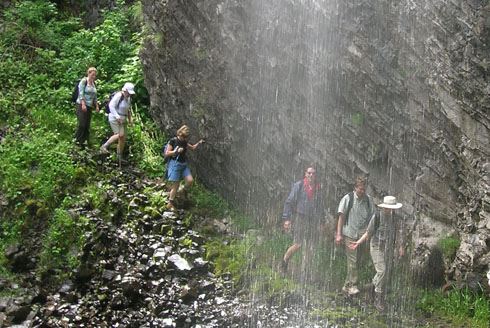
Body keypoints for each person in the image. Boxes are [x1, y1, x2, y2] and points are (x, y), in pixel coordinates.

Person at [348, 195, 404, 311]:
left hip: (388, 248)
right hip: (376, 246)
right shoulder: (377, 216)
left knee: (385, 273)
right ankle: (379, 299)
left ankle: (369, 288)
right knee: (382, 270)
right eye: (388, 208)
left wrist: (400, 247)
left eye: (391, 208)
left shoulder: (396, 219)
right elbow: (368, 233)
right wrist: (358, 243)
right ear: (384, 207)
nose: (389, 210)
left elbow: (398, 234)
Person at [281, 167, 324, 281]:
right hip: (300, 217)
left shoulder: (318, 188)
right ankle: (284, 262)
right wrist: (286, 219)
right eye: (309, 173)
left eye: (313, 173)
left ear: (315, 176)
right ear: (305, 174)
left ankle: (305, 273)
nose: (311, 175)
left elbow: (320, 206)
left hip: (313, 220)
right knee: (298, 244)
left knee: (310, 247)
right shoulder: (299, 185)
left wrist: (321, 222)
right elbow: (289, 202)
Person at [335, 176, 374, 296]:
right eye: (360, 189)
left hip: (362, 236)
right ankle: (353, 285)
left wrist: (369, 234)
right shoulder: (348, 198)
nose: (362, 191)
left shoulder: (368, 200)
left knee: (358, 261)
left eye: (364, 189)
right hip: (349, 234)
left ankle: (346, 286)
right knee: (352, 260)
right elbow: (341, 217)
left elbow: (373, 217)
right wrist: (339, 234)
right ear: (355, 188)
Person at [164, 125, 204, 211]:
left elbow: (192, 148)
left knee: (190, 180)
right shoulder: (173, 141)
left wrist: (199, 142)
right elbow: (167, 153)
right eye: (183, 136)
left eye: (185, 137)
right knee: (176, 185)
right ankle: (170, 202)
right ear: (179, 133)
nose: (184, 138)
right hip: (175, 164)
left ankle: (183, 191)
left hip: (183, 164)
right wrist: (176, 151)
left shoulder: (184, 142)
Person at [100, 82, 135, 161]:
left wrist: (130, 120)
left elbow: (128, 110)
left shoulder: (128, 98)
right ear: (125, 90)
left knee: (123, 138)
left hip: (123, 119)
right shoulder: (119, 96)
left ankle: (119, 156)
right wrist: (117, 116)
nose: (129, 94)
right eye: (128, 92)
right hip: (114, 118)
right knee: (119, 135)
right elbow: (111, 106)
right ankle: (104, 146)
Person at [75, 67, 100, 148]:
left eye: (95, 75)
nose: (93, 76)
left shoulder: (93, 84)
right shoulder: (84, 81)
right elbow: (81, 93)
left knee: (87, 125)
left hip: (89, 106)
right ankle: (78, 141)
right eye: (92, 75)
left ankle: (85, 141)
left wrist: (96, 106)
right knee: (82, 124)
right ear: (88, 73)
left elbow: (94, 96)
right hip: (81, 104)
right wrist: (83, 104)